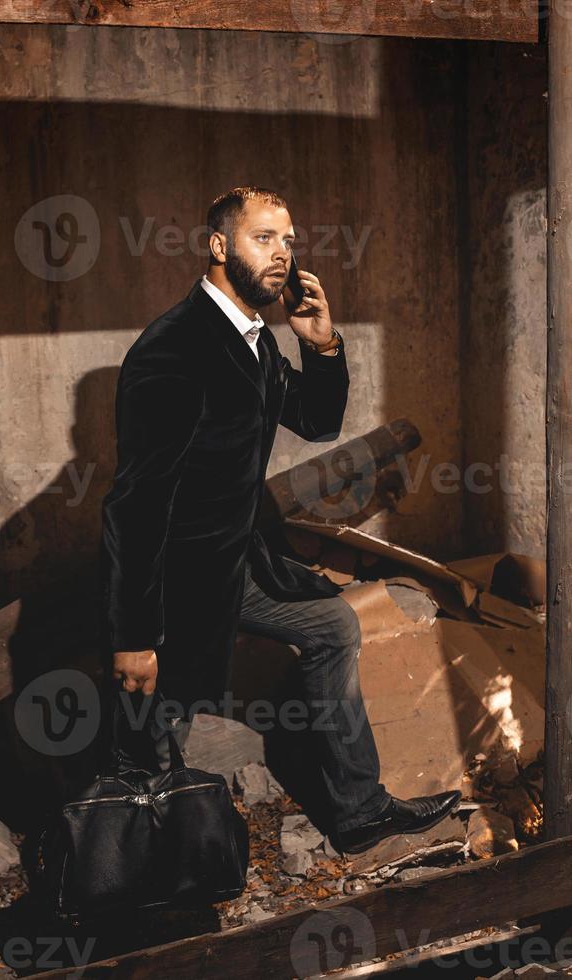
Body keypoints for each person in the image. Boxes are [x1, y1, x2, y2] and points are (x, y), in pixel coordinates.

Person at [99, 185, 460, 855]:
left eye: (289, 242)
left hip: (236, 562)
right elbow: (135, 503)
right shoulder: (173, 348)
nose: (283, 255)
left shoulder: (253, 341)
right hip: (176, 583)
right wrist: (134, 633)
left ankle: (357, 811)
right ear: (217, 246)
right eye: (264, 238)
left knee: (331, 624)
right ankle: (142, 887)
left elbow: (317, 422)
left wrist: (320, 348)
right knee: (153, 741)